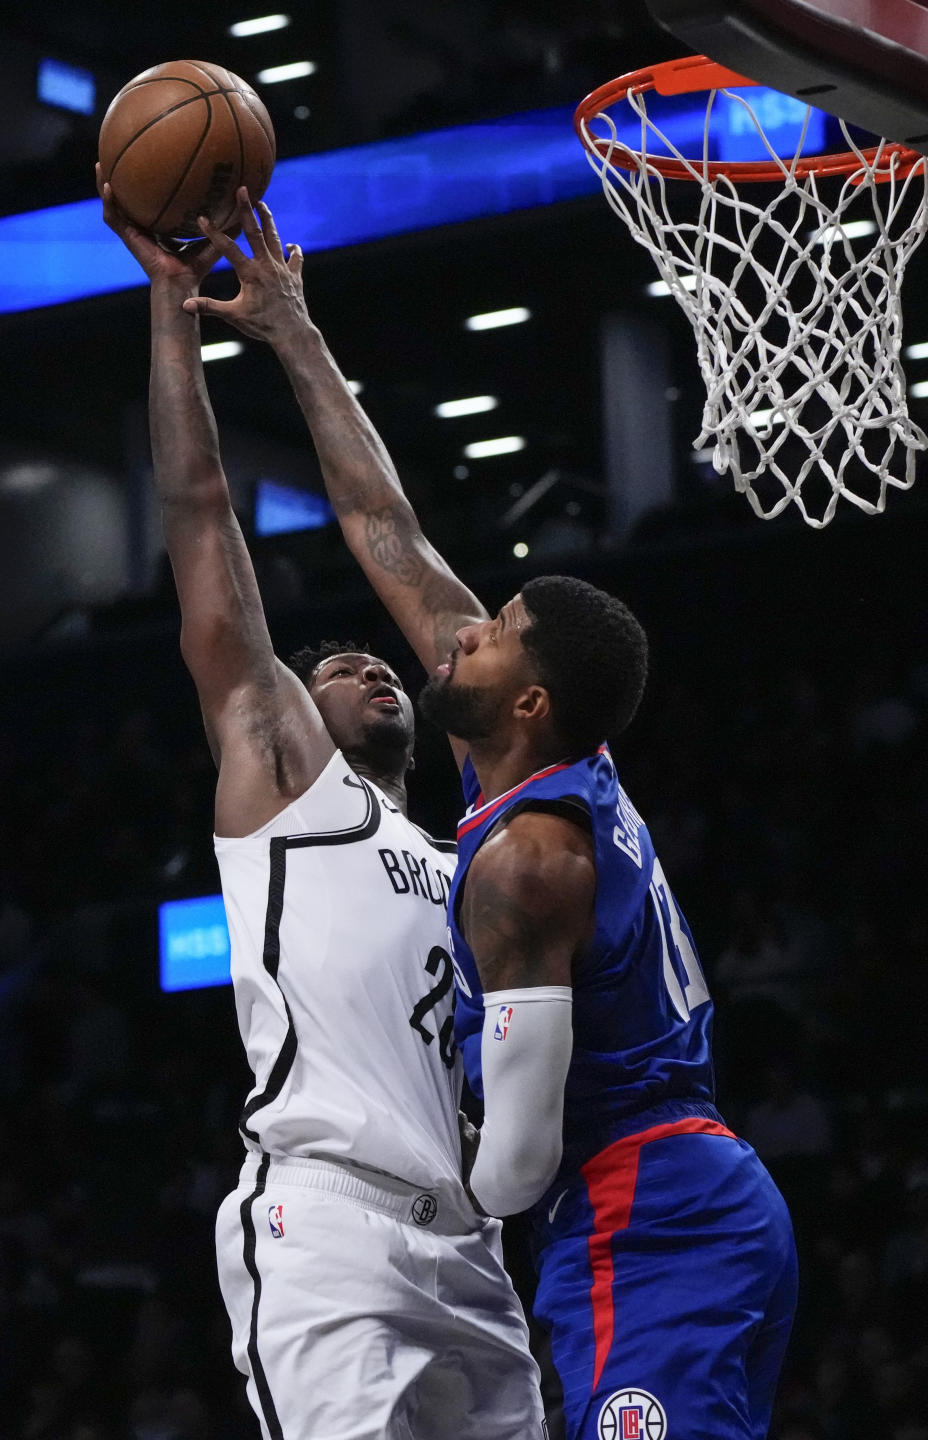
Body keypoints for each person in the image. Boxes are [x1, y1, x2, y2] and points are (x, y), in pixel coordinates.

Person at [183, 187, 799, 1440]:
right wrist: (296, 332)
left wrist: (409, 1191)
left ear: (522, 698)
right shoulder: (545, 765)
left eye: (492, 633)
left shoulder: (524, 857)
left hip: (643, 1211)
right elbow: (385, 528)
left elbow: (514, 1171)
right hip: (686, 1194)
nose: (461, 629)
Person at [98, 175, 546, 1440]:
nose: (363, 663)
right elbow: (199, 516)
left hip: (476, 1251)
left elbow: (393, 531)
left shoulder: (472, 840)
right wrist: (171, 315)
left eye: (378, 660)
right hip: (333, 1233)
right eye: (333, 660)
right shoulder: (286, 775)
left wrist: (297, 328)